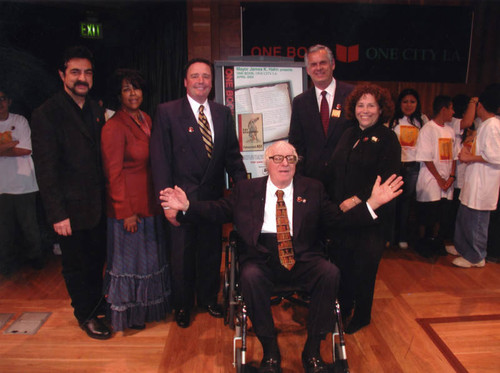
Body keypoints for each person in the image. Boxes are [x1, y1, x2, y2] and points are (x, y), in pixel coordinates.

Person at [159, 141, 403, 373]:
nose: (284, 163)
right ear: (267, 163)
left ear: (296, 163)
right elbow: (217, 210)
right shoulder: (246, 189)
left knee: (330, 273)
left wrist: (372, 203)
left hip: (303, 255)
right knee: (250, 276)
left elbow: (338, 222)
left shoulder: (313, 189)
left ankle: (312, 351)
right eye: (277, 158)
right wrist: (188, 206)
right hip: (261, 256)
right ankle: (270, 351)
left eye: (290, 158)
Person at [150, 58, 247, 328]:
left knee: (210, 253)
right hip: (180, 200)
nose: (201, 81)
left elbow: (232, 157)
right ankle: (182, 305)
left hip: (212, 201)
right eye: (195, 76)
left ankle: (207, 299)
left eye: (205, 76)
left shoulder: (222, 113)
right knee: (181, 257)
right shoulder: (167, 112)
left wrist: (246, 191)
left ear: (211, 82)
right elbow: (160, 161)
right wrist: (167, 203)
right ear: (185, 81)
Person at [31, 46, 111, 340]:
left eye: (87, 72)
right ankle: (86, 315)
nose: (82, 77)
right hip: (69, 210)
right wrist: (57, 213)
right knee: (76, 265)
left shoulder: (95, 108)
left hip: (97, 205)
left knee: (95, 260)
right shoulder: (46, 113)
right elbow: (46, 169)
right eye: (75, 72)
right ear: (62, 75)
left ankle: (96, 302)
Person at [326, 84, 401, 334]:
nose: (365, 110)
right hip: (343, 214)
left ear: (381, 109)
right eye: (360, 105)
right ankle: (344, 306)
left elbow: (388, 177)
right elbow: (335, 169)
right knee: (342, 262)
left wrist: (358, 199)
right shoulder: (347, 133)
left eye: (371, 105)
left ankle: (362, 315)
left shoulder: (388, 138)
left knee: (364, 267)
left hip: (371, 216)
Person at [101, 69, 171, 331]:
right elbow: (113, 174)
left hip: (150, 204)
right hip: (129, 210)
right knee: (130, 264)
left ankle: (147, 309)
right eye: (126, 89)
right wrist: (125, 212)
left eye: (136, 88)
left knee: (149, 262)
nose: (133, 94)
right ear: (118, 95)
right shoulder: (113, 127)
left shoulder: (147, 118)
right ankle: (129, 315)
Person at [289, 44, 354, 184]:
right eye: (313, 64)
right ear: (307, 70)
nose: (318, 68)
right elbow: (296, 144)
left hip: (347, 178)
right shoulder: (300, 102)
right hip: (312, 180)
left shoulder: (352, 95)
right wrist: (299, 180)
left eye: (323, 63)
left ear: (333, 64)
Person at [450, 88, 500, 268]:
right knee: (466, 215)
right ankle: (464, 248)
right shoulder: (486, 124)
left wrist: (469, 157)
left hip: (484, 181)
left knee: (477, 219)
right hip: (475, 178)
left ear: (481, 106)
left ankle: (476, 256)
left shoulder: (493, 125)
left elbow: (496, 155)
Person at [0, 89, 42, 276]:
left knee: (29, 227)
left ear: (9, 101)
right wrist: (11, 143)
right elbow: (18, 146)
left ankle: (36, 261)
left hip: (24, 184)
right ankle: (7, 264)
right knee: (4, 230)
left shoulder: (20, 121)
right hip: (2, 187)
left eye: (2, 99)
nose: (0, 103)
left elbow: (26, 149)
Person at [414, 95, 458, 258]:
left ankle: (437, 243)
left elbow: (454, 156)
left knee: (442, 213)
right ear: (443, 109)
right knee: (428, 213)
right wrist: (439, 179)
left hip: (447, 180)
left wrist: (451, 176)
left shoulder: (450, 130)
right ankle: (423, 244)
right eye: (451, 108)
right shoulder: (428, 129)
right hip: (431, 179)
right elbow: (426, 157)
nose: (453, 112)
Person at [389, 89, 429, 249]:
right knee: (392, 203)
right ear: (400, 103)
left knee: (406, 203)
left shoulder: (422, 120)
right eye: (405, 101)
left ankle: (402, 237)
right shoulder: (393, 120)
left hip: (413, 167)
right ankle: (390, 237)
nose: (408, 105)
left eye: (412, 101)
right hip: (395, 167)